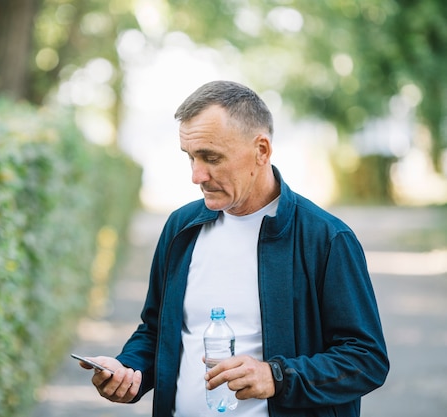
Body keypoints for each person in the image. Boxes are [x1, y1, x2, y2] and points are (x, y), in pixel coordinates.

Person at [77, 80, 389, 416]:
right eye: (191, 157)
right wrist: (129, 370)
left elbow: (366, 359)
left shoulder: (326, 239)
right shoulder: (181, 229)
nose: (197, 175)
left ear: (262, 150)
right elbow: (156, 332)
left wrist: (277, 377)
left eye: (211, 157)